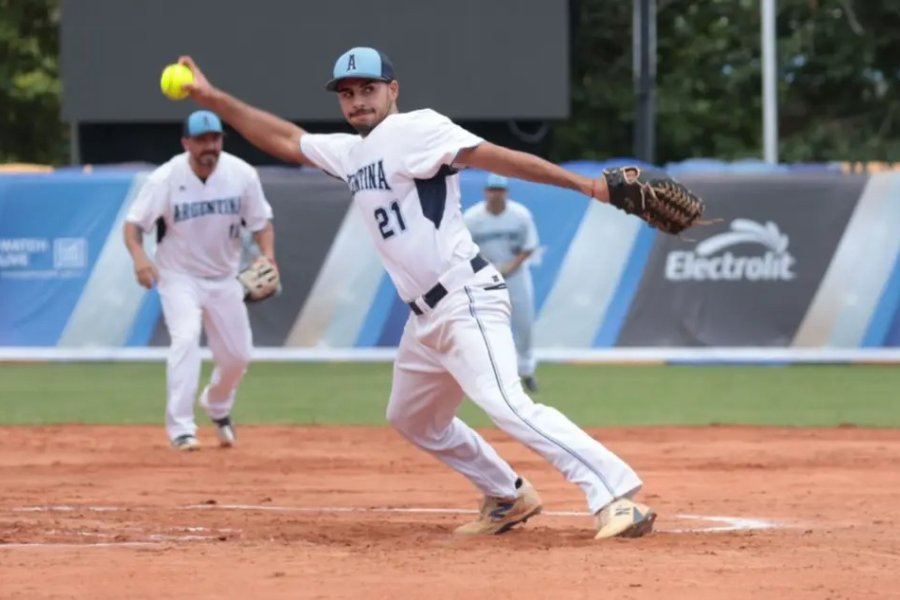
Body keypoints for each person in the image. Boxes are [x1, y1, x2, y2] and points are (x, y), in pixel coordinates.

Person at [177, 47, 655, 539]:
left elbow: (495, 157)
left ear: (393, 90)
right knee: (412, 418)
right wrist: (213, 98)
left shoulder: (417, 129)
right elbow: (284, 138)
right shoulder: (351, 153)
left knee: (507, 404)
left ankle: (615, 495)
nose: (358, 101)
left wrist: (583, 185)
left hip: (465, 296)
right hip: (424, 318)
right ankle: (507, 495)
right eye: (347, 93)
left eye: (368, 89)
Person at [123, 110, 275, 451]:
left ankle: (217, 405)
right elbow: (133, 225)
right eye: (202, 139)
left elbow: (261, 223)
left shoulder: (241, 174)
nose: (210, 145)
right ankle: (181, 428)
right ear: (186, 143)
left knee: (238, 357)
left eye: (215, 138)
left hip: (225, 277)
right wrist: (139, 258)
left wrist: (267, 255)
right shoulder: (165, 178)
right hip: (179, 276)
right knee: (186, 338)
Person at [464, 174, 540, 392]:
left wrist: (511, 266)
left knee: (524, 323)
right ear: (485, 192)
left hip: (515, 274)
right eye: (492, 189)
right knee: (486, 324)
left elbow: (530, 246)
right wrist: (487, 269)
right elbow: (465, 250)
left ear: (506, 192)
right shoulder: (472, 218)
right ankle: (489, 373)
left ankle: (526, 371)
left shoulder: (520, 215)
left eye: (500, 190)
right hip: (485, 276)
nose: (496, 194)